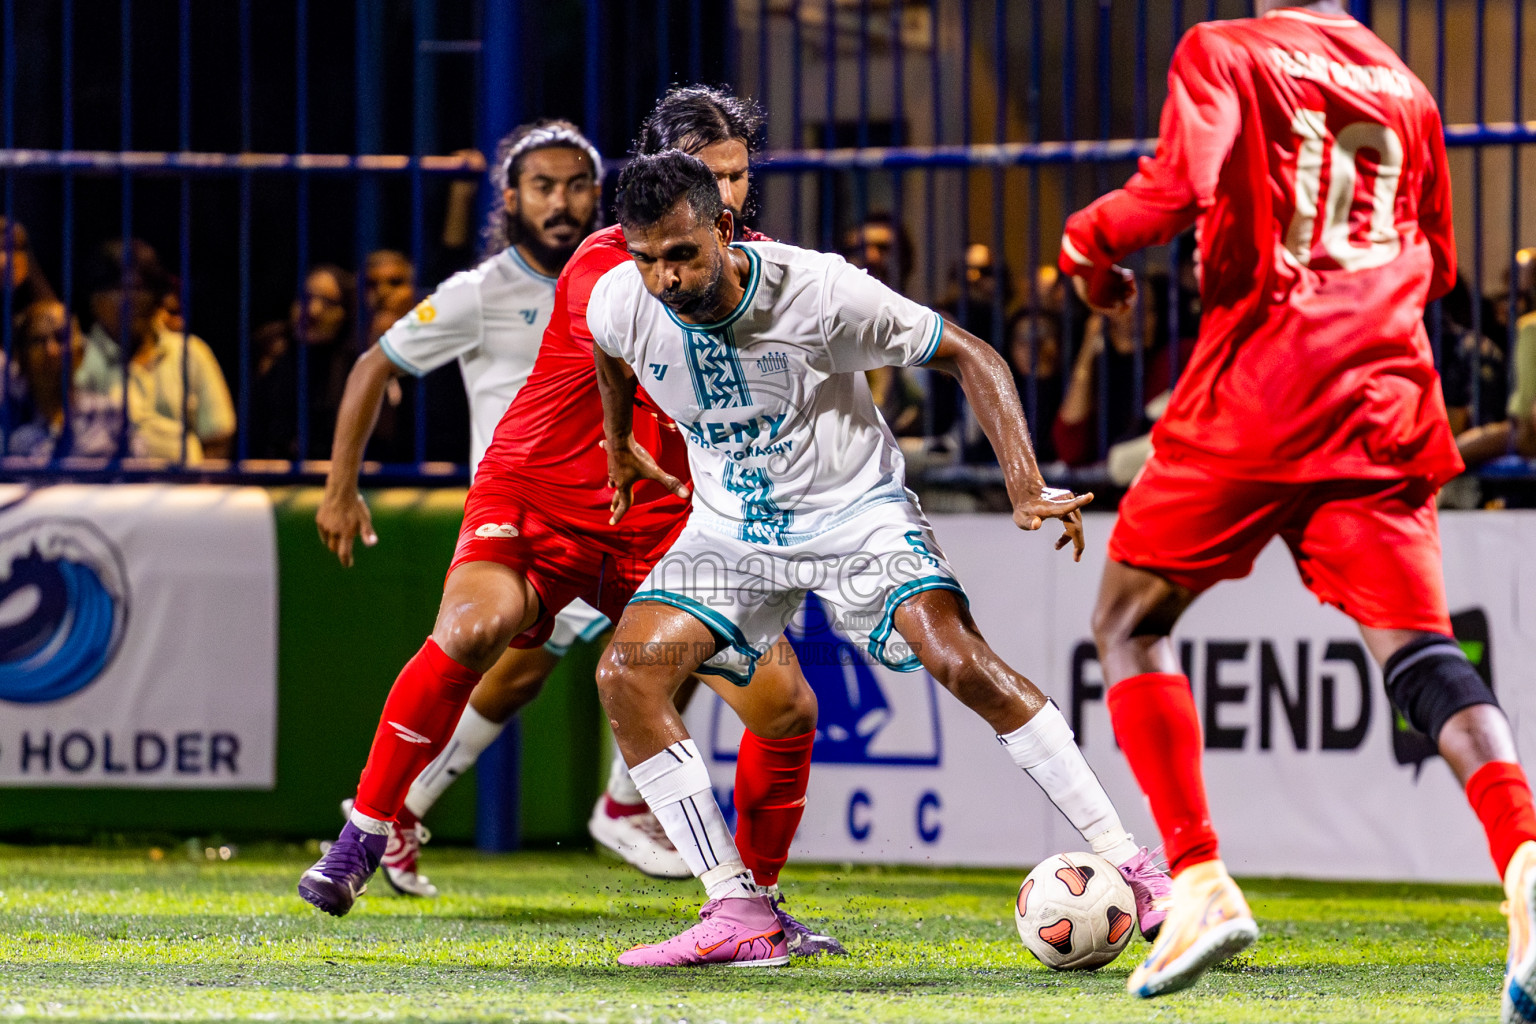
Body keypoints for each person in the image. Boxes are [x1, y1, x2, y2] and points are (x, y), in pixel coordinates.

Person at [1057, 1, 1536, 1009]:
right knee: (1422, 653)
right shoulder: (1409, 85)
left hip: (1262, 386)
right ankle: (1528, 863)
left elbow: (1174, 190)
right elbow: (1438, 263)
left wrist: (1086, 244)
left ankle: (1198, 879)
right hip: (1386, 397)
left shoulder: (1224, 48)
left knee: (1126, 621)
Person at [588, 150, 1170, 968]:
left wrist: (1026, 483)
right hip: (731, 531)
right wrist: (618, 446)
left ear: (723, 228)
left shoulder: (820, 293)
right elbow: (609, 355)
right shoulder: (620, 298)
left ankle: (1142, 871)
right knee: (626, 674)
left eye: (682, 255)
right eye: (647, 259)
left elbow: (971, 353)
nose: (665, 280)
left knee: (958, 661)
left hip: (853, 514)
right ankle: (737, 910)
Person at [300, 86, 845, 958]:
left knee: (785, 706)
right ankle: (366, 831)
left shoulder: (772, 267)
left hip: (660, 524)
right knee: (482, 630)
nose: (728, 195)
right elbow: (682, 333)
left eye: (739, 175)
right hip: (539, 496)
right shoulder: (608, 259)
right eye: (710, 175)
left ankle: (754, 909)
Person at [315, 119, 666, 895]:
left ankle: (411, 813)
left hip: (618, 510)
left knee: (680, 635)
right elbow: (375, 364)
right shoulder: (482, 293)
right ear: (510, 198)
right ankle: (619, 800)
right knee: (518, 674)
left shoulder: (630, 277)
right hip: (526, 521)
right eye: (543, 186)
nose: (562, 201)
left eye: (577, 185)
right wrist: (342, 488)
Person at [75, 239, 235, 462]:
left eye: (140, 288)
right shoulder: (76, 357)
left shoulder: (191, 353)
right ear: (94, 298)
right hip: (106, 493)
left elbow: (217, 439)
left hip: (185, 492)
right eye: (119, 288)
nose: (131, 300)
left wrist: (197, 491)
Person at [249, 265, 358, 462]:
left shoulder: (357, 366)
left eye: (328, 302)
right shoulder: (272, 357)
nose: (313, 311)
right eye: (306, 298)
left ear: (346, 312)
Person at [7, 300, 125, 459]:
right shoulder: (7, 421)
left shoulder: (110, 414)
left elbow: (143, 475)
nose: (51, 350)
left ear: (81, 353)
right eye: (38, 340)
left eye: (61, 338)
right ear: (20, 356)